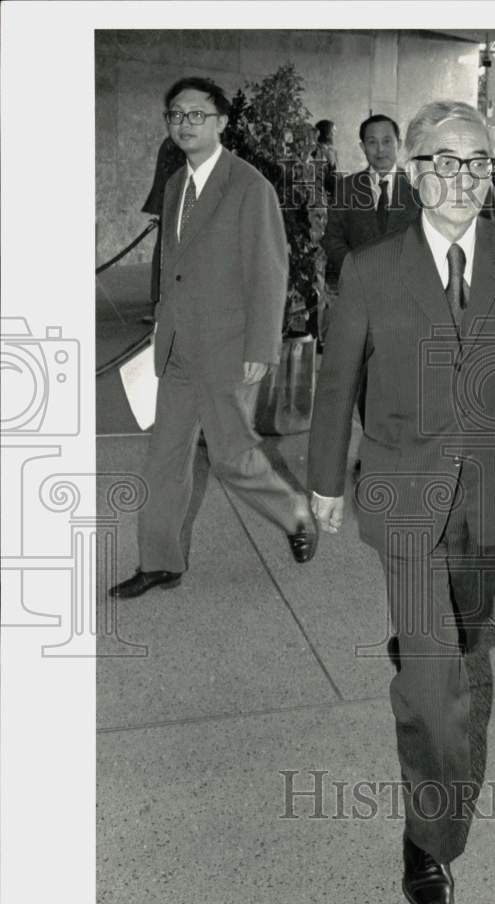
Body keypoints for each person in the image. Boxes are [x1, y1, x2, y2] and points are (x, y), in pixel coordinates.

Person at [308, 100, 495, 904]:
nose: (459, 177)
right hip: (402, 490)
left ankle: (430, 651)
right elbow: (337, 381)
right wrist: (324, 478)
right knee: (436, 685)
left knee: (465, 633)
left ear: (489, 174)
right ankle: (430, 837)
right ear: (416, 171)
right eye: (442, 160)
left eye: (477, 161)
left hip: (489, 492)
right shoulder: (372, 268)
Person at [110, 77, 317, 601]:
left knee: (230, 456)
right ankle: (159, 561)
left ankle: (293, 512)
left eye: (195, 115)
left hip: (229, 348)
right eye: (175, 114)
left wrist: (260, 348)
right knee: (163, 458)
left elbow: (270, 271)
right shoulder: (177, 184)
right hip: (179, 347)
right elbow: (175, 265)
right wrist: (161, 323)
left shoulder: (249, 187)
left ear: (222, 122)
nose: (183, 123)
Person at [321, 113, 421, 281]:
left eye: (387, 141)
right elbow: (332, 238)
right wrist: (355, 268)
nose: (380, 149)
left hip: (408, 288)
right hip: (359, 287)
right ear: (363, 147)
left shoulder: (418, 187)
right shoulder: (346, 187)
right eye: (372, 142)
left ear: (399, 144)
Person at [141, 136, 186, 313]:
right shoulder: (176, 143)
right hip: (175, 202)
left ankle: (159, 293)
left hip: (173, 201)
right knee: (168, 246)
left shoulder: (174, 142)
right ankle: (162, 294)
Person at [310, 118, 338, 196]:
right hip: (322, 192)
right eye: (333, 132)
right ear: (327, 133)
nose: (334, 135)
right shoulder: (322, 150)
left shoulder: (328, 149)